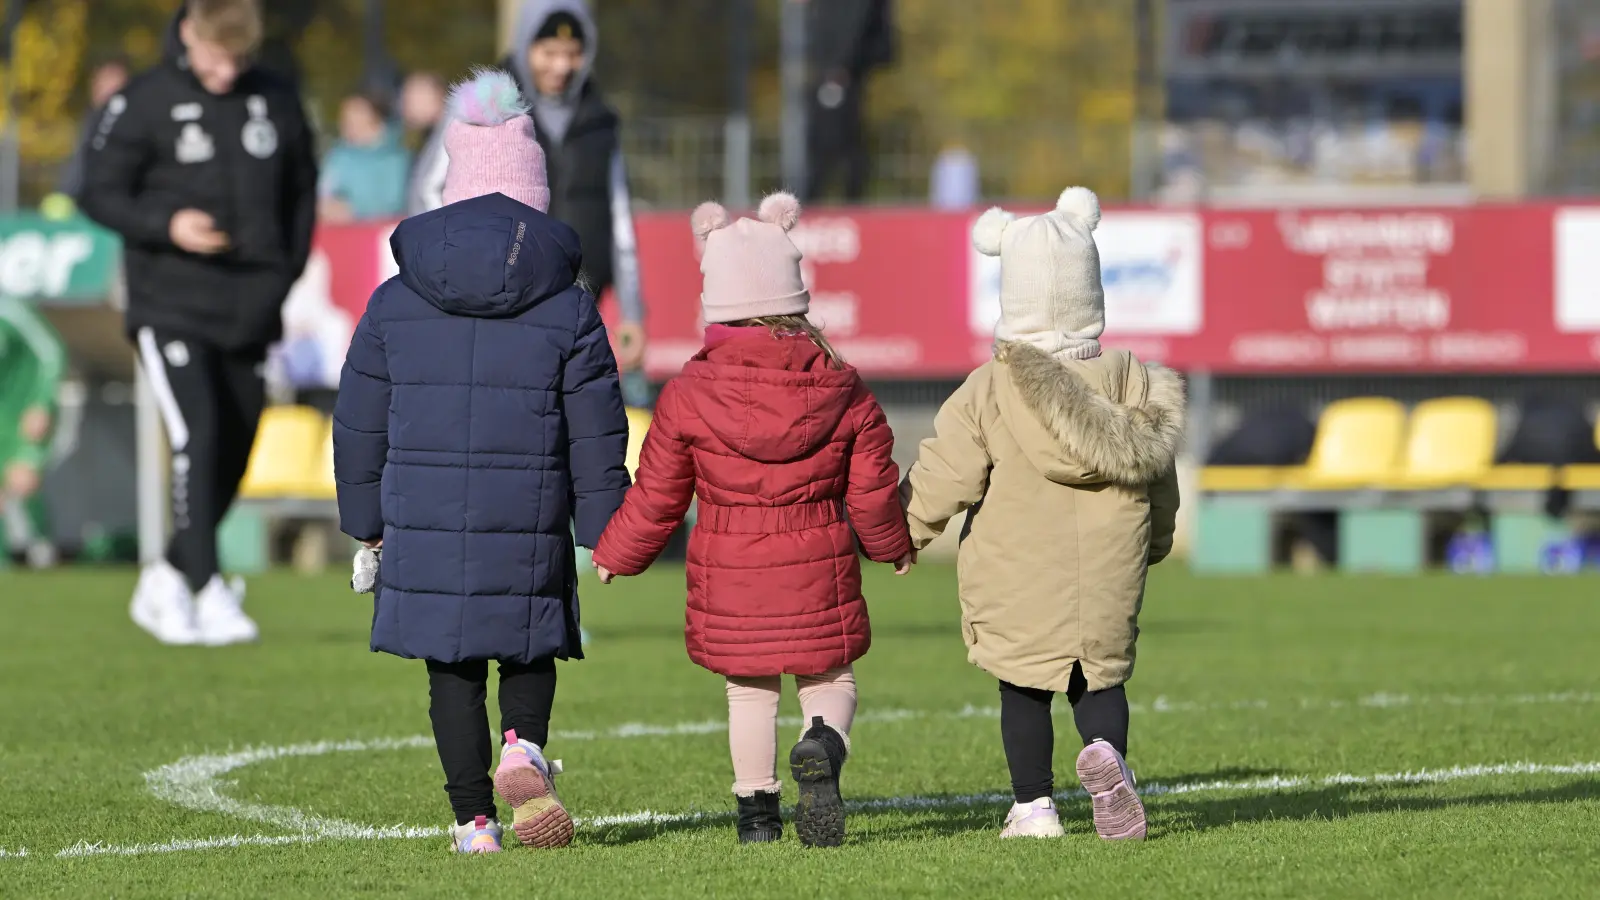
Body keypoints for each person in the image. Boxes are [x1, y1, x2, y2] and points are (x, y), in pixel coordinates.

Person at [333, 69, 630, 854]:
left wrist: (366, 523)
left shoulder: (395, 299)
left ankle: (474, 824)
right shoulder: (569, 303)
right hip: (528, 513)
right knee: (529, 641)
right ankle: (523, 745)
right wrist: (607, 526)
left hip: (423, 520)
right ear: (535, 193)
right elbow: (597, 425)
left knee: (451, 671)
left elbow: (358, 419)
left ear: (453, 191)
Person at [590, 193, 912, 847]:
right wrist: (891, 545)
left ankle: (756, 819)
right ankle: (825, 742)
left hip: (730, 561)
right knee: (831, 675)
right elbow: (874, 486)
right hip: (818, 556)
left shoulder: (687, 392)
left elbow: (659, 494)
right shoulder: (842, 386)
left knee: (749, 690)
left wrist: (615, 553)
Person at [899, 188, 1184, 842]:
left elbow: (948, 474)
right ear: (1090, 290)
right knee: (1100, 677)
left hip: (1016, 567)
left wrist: (901, 534)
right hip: (1111, 566)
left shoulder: (991, 387)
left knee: (1023, 686)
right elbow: (1160, 474)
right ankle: (1109, 758)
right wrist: (1159, 539)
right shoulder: (1133, 381)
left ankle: (1033, 808)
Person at [78, 0, 318, 646]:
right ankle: (209, 589)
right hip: (170, 303)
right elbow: (95, 188)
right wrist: (168, 227)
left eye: (238, 59)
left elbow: (302, 188)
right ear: (188, 33)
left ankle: (168, 577)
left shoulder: (275, 97)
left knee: (236, 447)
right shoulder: (143, 100)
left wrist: (282, 274)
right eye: (216, 57)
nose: (224, 73)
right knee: (198, 434)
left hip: (251, 306)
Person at [410, 0, 649, 408]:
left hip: (579, 301)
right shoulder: (488, 104)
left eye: (573, 54)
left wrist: (633, 311)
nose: (561, 66)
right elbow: (427, 189)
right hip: (503, 299)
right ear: (525, 45)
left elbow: (619, 217)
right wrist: (454, 266)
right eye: (549, 52)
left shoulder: (601, 121)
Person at [802, 0, 895, 203]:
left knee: (834, 142)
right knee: (835, 141)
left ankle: (827, 203)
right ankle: (830, 200)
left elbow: (852, 21)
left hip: (841, 72)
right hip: (839, 69)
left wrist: (839, 65)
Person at [0, 296, 65, 568]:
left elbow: (52, 352)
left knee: (22, 482)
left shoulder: (9, 308)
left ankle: (42, 552)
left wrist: (42, 401)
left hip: (22, 414)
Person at [318, 92, 411, 223]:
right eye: (344, 117)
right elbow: (324, 190)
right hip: (339, 231)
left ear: (374, 116)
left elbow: (396, 202)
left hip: (380, 233)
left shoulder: (397, 157)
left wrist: (354, 210)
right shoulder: (338, 155)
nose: (346, 122)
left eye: (355, 115)